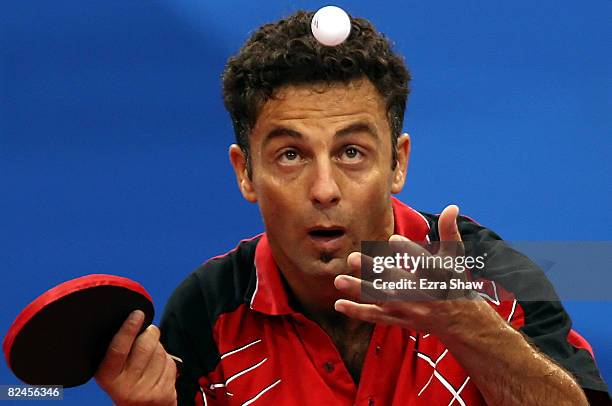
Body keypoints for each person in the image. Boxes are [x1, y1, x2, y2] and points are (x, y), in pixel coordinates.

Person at [94, 10, 609, 406]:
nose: (324, 189)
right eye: (291, 154)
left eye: (351, 152)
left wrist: (469, 328)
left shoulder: (490, 275)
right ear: (246, 172)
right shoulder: (209, 310)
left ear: (397, 163)